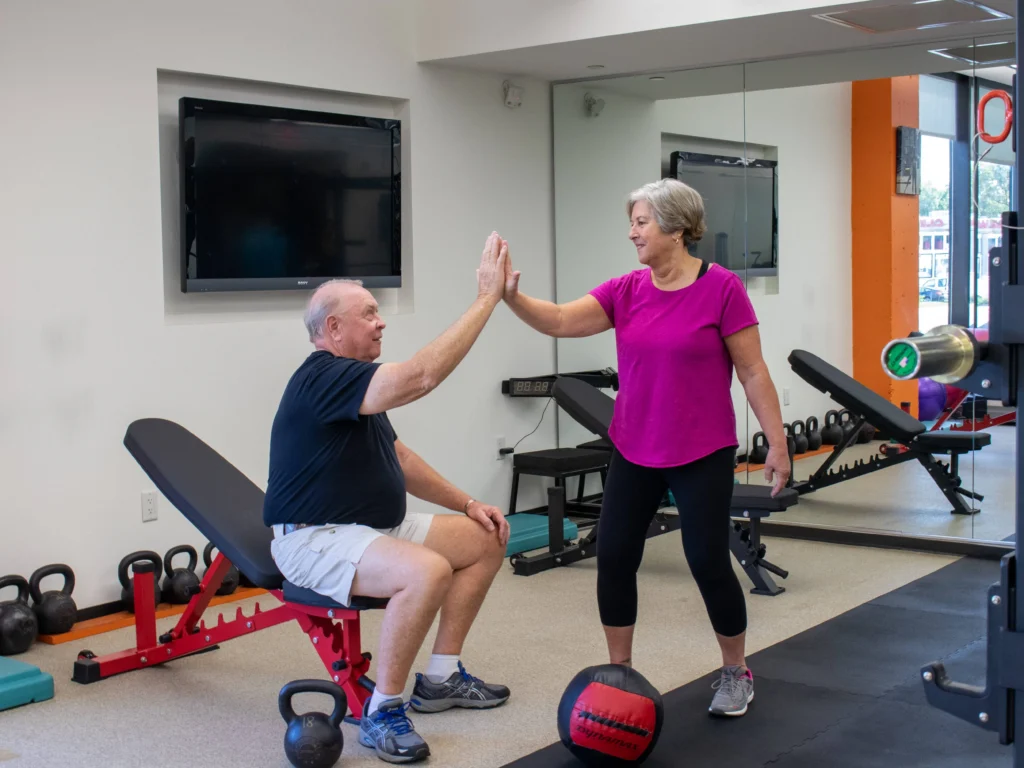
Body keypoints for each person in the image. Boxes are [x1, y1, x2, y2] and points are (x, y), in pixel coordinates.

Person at [501, 178, 789, 718]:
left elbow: (751, 370)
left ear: (677, 228)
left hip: (702, 450)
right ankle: (621, 674)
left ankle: (735, 671)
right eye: (632, 221)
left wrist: (778, 442)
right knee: (614, 556)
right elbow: (561, 320)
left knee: (707, 560)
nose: (632, 232)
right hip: (634, 449)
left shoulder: (722, 288)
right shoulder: (625, 290)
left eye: (641, 222)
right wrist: (510, 297)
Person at [264, 233, 513, 764]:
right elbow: (421, 376)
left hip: (368, 528)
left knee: (486, 537)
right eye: (370, 314)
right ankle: (382, 711)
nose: (381, 322)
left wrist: (469, 502)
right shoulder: (323, 377)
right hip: (313, 537)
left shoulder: (354, 385)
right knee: (425, 571)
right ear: (332, 329)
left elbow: (398, 459)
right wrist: (486, 300)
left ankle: (441, 677)